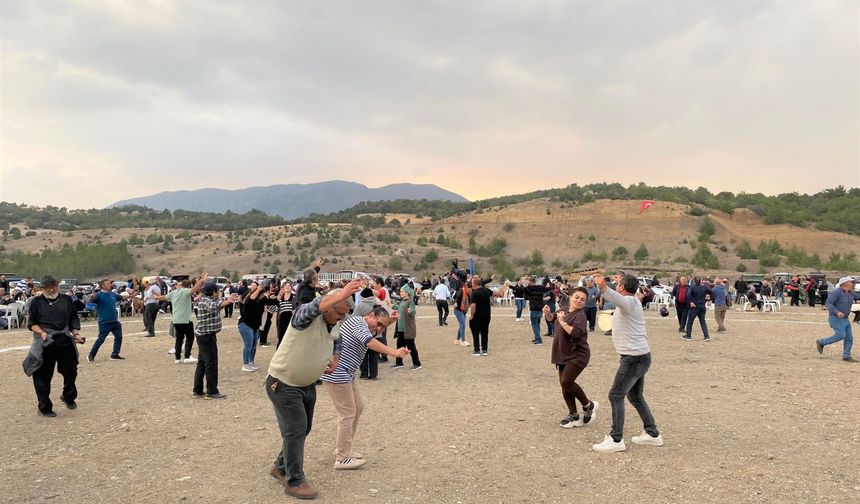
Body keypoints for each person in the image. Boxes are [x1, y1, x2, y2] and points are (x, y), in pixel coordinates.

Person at [265, 280, 362, 500]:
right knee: (295, 430)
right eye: (340, 314)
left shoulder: (335, 321)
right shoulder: (304, 318)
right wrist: (341, 293)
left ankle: (281, 467)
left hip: (306, 384)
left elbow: (336, 337)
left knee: (303, 428)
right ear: (329, 306)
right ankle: (294, 481)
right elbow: (311, 307)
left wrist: (335, 356)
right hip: (284, 384)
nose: (343, 319)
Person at [321, 306, 408, 469]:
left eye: (383, 326)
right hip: (337, 372)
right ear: (371, 315)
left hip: (346, 373)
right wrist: (394, 352)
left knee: (358, 408)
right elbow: (370, 342)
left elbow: (373, 334)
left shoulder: (367, 326)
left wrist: (391, 321)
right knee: (347, 413)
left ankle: (343, 449)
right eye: (378, 323)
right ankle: (342, 457)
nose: (379, 328)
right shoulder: (357, 323)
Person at [591, 273, 663, 452]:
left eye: (618, 283)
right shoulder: (633, 301)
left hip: (634, 359)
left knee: (616, 395)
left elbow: (618, 299)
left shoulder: (629, 302)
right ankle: (652, 434)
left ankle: (616, 439)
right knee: (635, 396)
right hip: (639, 357)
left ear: (622, 288)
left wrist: (603, 287)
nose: (617, 284)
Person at [27, 276, 84, 417]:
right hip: (45, 342)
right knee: (42, 376)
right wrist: (42, 333)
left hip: (64, 339)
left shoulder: (66, 300)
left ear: (57, 286)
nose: (51, 289)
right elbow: (32, 323)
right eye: (47, 287)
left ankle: (68, 397)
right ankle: (44, 407)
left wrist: (76, 334)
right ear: (42, 288)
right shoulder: (36, 302)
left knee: (71, 371)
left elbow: (73, 319)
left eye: (53, 286)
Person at [544, 287, 598, 429]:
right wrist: (548, 313)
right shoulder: (564, 308)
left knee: (567, 381)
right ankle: (573, 415)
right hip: (563, 352)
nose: (579, 300)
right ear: (571, 297)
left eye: (582, 299)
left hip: (578, 354)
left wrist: (563, 323)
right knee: (564, 384)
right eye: (577, 297)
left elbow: (575, 333)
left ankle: (588, 405)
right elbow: (552, 319)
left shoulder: (580, 315)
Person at [193, 281, 237, 399]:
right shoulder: (206, 301)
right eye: (218, 291)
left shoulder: (208, 299)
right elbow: (214, 305)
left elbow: (217, 302)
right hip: (206, 337)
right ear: (214, 292)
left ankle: (197, 389)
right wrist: (228, 301)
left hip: (204, 336)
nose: (219, 292)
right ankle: (212, 391)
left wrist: (228, 299)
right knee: (211, 363)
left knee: (202, 363)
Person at [158, 277, 204, 364]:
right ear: (187, 286)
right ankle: (187, 356)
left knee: (179, 339)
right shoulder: (186, 291)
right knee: (190, 337)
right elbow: (195, 289)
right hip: (185, 320)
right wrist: (202, 281)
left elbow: (163, 297)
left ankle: (177, 358)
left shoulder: (173, 292)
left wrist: (156, 297)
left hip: (176, 320)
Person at [238, 281, 278, 372]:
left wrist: (280, 294)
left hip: (255, 326)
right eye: (261, 294)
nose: (262, 296)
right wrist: (258, 289)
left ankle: (251, 362)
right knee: (248, 345)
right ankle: (245, 364)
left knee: (254, 345)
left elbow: (273, 302)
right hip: (245, 324)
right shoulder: (249, 300)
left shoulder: (262, 300)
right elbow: (251, 298)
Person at [815, 277, 856, 362]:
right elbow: (828, 303)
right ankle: (821, 342)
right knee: (841, 335)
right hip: (835, 318)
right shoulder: (836, 292)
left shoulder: (851, 293)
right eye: (851, 282)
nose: (853, 284)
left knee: (849, 338)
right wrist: (836, 312)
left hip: (845, 319)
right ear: (845, 283)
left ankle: (846, 356)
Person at [87, 278, 125, 362]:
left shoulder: (112, 294)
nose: (110, 285)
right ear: (103, 286)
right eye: (108, 284)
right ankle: (91, 354)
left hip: (114, 321)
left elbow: (121, 297)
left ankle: (115, 354)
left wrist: (131, 295)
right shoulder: (98, 295)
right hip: (104, 322)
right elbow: (91, 300)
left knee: (119, 337)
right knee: (101, 339)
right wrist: (91, 298)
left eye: (110, 283)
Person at [469, 276, 508, 356]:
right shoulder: (487, 290)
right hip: (486, 316)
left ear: (475, 284)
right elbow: (499, 294)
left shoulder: (474, 293)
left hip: (477, 316)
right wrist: (503, 288)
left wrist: (471, 315)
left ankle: (476, 350)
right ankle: (484, 349)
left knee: (475, 333)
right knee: (484, 332)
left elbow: (473, 306)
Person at [391, 284, 422, 370]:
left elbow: (413, 313)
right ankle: (399, 363)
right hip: (401, 329)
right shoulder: (403, 301)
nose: (400, 292)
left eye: (402, 291)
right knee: (400, 346)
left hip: (408, 329)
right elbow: (400, 308)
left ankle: (417, 364)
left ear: (407, 293)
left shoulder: (410, 301)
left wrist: (411, 311)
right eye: (400, 291)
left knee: (411, 347)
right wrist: (392, 305)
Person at [684, 276, 713, 342]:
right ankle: (706, 336)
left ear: (694, 281)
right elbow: (711, 292)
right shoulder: (704, 287)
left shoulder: (692, 287)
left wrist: (691, 302)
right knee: (703, 322)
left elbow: (688, 295)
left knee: (690, 321)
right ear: (700, 281)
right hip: (702, 306)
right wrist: (709, 300)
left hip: (695, 306)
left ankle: (688, 335)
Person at [525, 277, 550, 345]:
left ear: (530, 282)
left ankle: (538, 339)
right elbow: (548, 289)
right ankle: (537, 337)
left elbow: (522, 290)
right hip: (540, 308)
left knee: (534, 324)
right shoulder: (540, 288)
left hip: (534, 308)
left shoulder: (530, 289)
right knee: (537, 323)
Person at [452, 279, 472, 347]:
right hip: (458, 310)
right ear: (466, 287)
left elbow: (470, 301)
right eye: (469, 289)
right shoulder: (461, 291)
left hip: (464, 311)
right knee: (463, 324)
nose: (470, 290)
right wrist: (455, 303)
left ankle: (457, 340)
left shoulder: (468, 293)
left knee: (461, 325)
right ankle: (463, 341)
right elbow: (456, 298)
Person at [275, 282, 294, 348]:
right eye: (286, 285)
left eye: (289, 286)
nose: (287, 287)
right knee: (281, 337)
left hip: (291, 319)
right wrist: (279, 295)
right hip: (282, 319)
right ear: (283, 288)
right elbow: (275, 307)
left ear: (291, 288)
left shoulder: (294, 297)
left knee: (290, 337)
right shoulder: (280, 298)